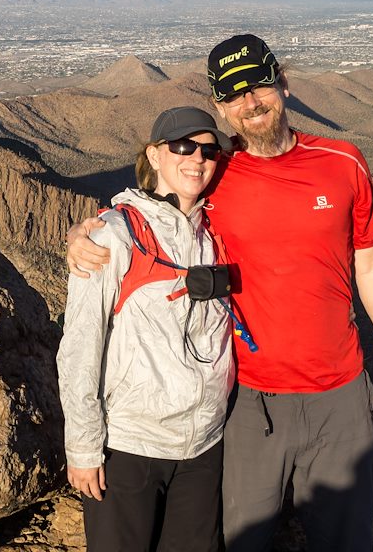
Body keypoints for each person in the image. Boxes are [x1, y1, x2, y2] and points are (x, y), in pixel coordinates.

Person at [66, 34, 373, 552]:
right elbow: (152, 205)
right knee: (241, 542)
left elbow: (370, 262)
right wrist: (88, 232)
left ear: (282, 83)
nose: (250, 103)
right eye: (234, 96)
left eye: (258, 86)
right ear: (221, 107)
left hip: (339, 394)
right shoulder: (217, 173)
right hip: (249, 403)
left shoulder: (342, 162)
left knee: (346, 541)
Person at [58, 106, 238, 552]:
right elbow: (81, 344)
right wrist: (82, 448)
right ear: (155, 156)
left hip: (203, 445)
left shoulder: (217, 232)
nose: (196, 158)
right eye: (182, 146)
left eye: (208, 150)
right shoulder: (115, 235)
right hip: (129, 447)